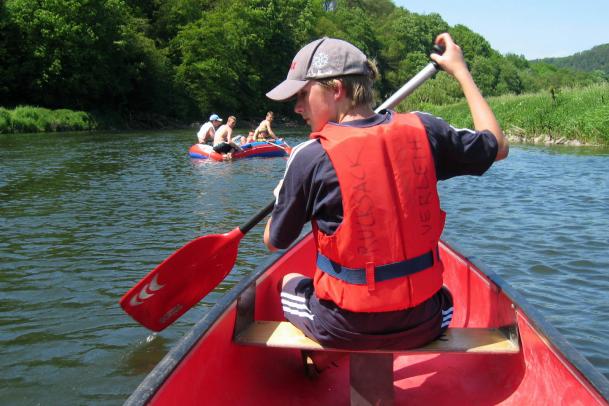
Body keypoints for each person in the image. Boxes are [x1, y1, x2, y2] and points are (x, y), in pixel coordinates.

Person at [262, 34, 509, 354]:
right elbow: (498, 146)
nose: (296, 107)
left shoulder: (309, 156)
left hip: (342, 327)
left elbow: (274, 241)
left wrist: (284, 194)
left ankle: (320, 359)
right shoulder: (425, 130)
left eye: (303, 94)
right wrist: (461, 71)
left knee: (286, 282)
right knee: (446, 294)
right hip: (424, 322)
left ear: (336, 89)